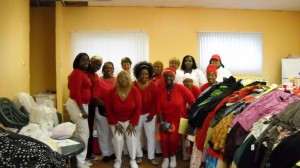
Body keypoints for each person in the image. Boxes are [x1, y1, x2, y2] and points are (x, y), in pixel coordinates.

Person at [157, 67, 195, 168]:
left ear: (174, 77)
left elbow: (192, 101)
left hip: (179, 121)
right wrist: (162, 123)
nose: (168, 78)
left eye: (171, 76)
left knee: (173, 140)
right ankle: (165, 158)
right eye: (166, 76)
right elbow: (159, 109)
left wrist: (191, 115)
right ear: (163, 78)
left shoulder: (181, 88)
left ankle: (173, 157)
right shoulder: (160, 91)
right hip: (165, 120)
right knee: (164, 139)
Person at [106, 70, 142, 168]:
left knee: (132, 138)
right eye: (121, 78)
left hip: (130, 120)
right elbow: (108, 109)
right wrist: (115, 123)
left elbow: (138, 108)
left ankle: (133, 159)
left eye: (126, 78)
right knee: (118, 139)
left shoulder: (134, 90)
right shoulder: (112, 91)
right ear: (118, 80)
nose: (123, 80)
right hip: (116, 121)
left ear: (129, 79)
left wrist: (133, 123)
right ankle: (118, 160)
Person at [66, 53, 92, 168]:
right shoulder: (77, 72)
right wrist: (82, 110)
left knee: (78, 134)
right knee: (84, 133)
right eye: (83, 60)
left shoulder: (82, 73)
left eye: (87, 60)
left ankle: (79, 161)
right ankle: (80, 163)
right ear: (77, 61)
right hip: (77, 106)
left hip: (81, 105)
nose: (86, 62)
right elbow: (75, 92)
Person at [132, 61, 159, 165]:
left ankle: (151, 156)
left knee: (150, 136)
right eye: (142, 73)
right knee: (136, 135)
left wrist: (151, 115)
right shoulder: (133, 85)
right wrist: (135, 115)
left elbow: (155, 102)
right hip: (136, 115)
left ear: (149, 75)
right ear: (138, 74)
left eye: (146, 74)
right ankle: (138, 155)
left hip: (149, 115)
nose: (144, 76)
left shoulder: (153, 86)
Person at [92, 61, 116, 162]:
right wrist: (107, 106)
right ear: (103, 70)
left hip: (115, 112)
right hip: (102, 111)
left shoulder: (116, 80)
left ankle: (113, 152)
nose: (109, 70)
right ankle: (106, 154)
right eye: (106, 68)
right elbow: (96, 97)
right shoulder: (99, 81)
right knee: (103, 133)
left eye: (111, 68)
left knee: (113, 133)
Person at [86, 56, 102, 161]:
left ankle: (89, 153)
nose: (97, 66)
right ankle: (85, 154)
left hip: (92, 105)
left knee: (90, 130)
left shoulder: (96, 76)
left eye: (99, 65)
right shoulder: (83, 73)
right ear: (90, 62)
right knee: (85, 131)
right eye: (95, 63)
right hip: (84, 105)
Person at [151, 60, 164, 155]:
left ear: (161, 68)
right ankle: (153, 148)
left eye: (158, 67)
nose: (156, 68)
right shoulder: (151, 78)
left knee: (157, 130)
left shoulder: (162, 79)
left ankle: (158, 150)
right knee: (152, 131)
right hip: (150, 107)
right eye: (154, 66)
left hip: (158, 107)